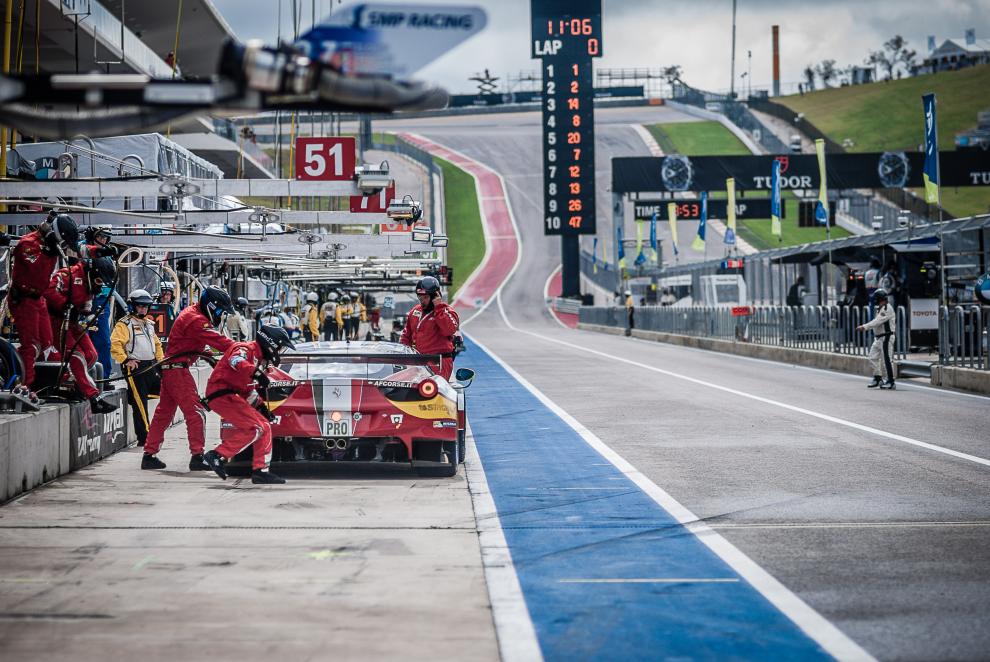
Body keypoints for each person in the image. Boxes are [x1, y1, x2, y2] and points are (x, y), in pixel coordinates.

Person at [140, 287, 235, 472]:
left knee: (163, 415)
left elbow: (192, 343)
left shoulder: (192, 313)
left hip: (171, 369)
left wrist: (208, 355)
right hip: (177, 371)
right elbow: (220, 342)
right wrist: (244, 348)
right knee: (196, 413)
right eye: (221, 311)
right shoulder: (196, 320)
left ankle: (149, 455)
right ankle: (197, 457)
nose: (222, 315)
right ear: (212, 306)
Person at [202, 325, 296, 485]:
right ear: (271, 343)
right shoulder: (245, 348)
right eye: (279, 347)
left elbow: (246, 390)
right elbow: (235, 360)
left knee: (264, 425)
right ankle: (217, 454)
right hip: (221, 394)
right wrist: (257, 373)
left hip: (230, 395)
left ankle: (261, 471)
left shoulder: (257, 358)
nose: (279, 352)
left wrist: (261, 407)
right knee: (256, 428)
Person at [5, 212, 79, 398]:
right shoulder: (27, 244)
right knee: (31, 345)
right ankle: (25, 386)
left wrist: (99, 251)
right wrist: (48, 253)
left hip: (39, 299)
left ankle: (53, 382)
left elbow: (79, 250)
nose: (62, 247)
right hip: (23, 299)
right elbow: (35, 270)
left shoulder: (52, 245)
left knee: (48, 344)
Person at [45, 256, 119, 413]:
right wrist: (64, 304)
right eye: (99, 281)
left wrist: (89, 313)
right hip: (55, 321)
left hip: (74, 321)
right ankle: (94, 398)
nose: (100, 286)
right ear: (93, 274)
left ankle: (71, 385)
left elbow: (86, 307)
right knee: (76, 356)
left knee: (91, 355)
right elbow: (49, 291)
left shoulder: (90, 285)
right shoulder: (67, 276)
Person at [110, 289, 163, 446]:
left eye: (146, 306)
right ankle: (145, 438)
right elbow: (115, 344)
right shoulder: (124, 324)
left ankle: (134, 399)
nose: (143, 309)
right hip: (135, 367)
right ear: (132, 306)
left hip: (151, 365)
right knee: (140, 404)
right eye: (140, 306)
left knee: (164, 392)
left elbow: (158, 345)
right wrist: (126, 360)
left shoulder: (149, 324)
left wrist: (161, 362)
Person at [400, 276, 460, 380]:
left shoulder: (448, 311)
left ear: (435, 296)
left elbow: (449, 330)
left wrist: (438, 308)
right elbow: (406, 336)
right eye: (420, 297)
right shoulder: (415, 311)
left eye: (425, 297)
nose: (422, 301)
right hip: (417, 361)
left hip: (439, 362)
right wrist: (404, 356)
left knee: (432, 392)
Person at [857, 288, 896, 390]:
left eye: (876, 298)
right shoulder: (880, 308)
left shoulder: (887, 308)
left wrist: (864, 327)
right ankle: (878, 378)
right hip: (879, 338)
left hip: (886, 337)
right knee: (872, 357)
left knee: (886, 360)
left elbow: (877, 322)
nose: (875, 300)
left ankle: (890, 381)